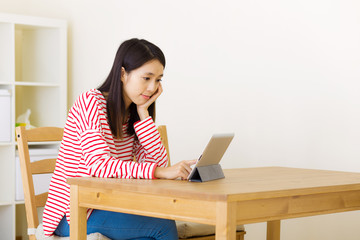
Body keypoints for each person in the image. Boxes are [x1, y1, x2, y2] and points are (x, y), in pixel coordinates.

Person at [42, 38, 196, 240]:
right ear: (123, 74)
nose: (151, 88)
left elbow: (158, 165)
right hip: (73, 212)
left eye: (158, 80)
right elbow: (99, 165)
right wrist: (160, 171)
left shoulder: (133, 113)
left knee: (153, 229)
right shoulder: (90, 102)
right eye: (146, 78)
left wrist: (143, 113)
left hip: (108, 204)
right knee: (162, 226)